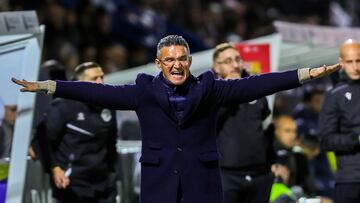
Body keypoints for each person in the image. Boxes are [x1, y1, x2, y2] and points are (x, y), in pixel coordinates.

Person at [12, 35, 340, 203]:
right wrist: (48, 86)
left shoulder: (210, 88)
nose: (177, 65)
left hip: (203, 184)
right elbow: (94, 92)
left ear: (189, 61)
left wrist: (305, 74)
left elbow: (257, 83)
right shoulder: (142, 91)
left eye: (183, 59)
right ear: (159, 63)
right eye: (170, 60)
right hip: (160, 187)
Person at [38, 62, 118, 203]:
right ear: (79, 82)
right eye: (94, 79)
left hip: (103, 184)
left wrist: (111, 170)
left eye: (102, 77)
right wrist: (55, 168)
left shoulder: (108, 106)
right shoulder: (64, 105)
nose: (100, 82)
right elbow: (44, 139)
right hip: (73, 185)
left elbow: (112, 141)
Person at [212, 42, 273, 203]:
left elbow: (268, 130)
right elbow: (208, 125)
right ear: (216, 67)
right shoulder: (210, 95)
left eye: (237, 59)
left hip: (260, 175)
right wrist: (229, 91)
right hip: (226, 176)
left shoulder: (257, 92)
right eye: (228, 61)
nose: (235, 65)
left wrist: (275, 162)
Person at [319, 39, 360, 203]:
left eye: (359, 60)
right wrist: (356, 139)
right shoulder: (334, 96)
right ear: (341, 63)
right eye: (350, 62)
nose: (356, 67)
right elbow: (326, 140)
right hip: (351, 179)